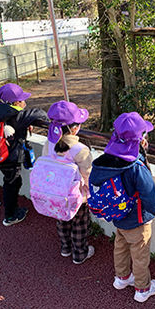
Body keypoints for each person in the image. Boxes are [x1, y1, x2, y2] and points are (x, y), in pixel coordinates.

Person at [89, 112, 155, 303]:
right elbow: (149, 196)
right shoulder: (136, 167)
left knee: (120, 247)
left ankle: (122, 278)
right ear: (140, 140)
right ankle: (142, 289)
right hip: (138, 219)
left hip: (118, 217)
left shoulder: (105, 161)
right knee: (140, 254)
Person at [42, 100, 94, 264]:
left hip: (55, 191)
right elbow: (87, 172)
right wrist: (89, 189)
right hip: (75, 193)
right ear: (73, 128)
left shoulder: (49, 143)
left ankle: (65, 247)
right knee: (79, 222)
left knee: (62, 218)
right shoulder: (80, 149)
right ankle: (79, 253)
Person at [0, 83, 48, 226]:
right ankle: (10, 215)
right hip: (11, 157)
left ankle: (12, 209)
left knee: (10, 181)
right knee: (13, 182)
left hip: (0, 154)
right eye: (22, 100)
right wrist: (28, 119)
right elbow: (40, 113)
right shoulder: (16, 116)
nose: (25, 103)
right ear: (16, 103)